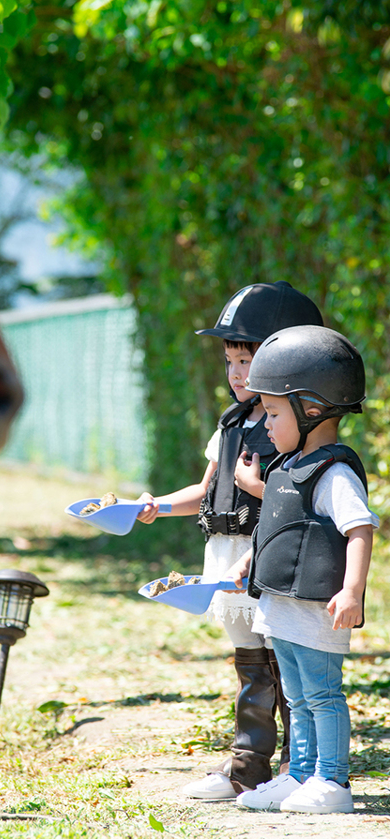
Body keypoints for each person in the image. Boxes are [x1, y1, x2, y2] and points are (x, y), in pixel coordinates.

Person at [136, 281, 323, 799]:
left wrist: (257, 487)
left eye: (249, 360)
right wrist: (156, 506)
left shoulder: (296, 427)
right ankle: (248, 767)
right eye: (230, 362)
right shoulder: (232, 424)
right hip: (226, 555)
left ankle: (297, 768)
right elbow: (205, 489)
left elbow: (302, 502)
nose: (238, 374)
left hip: (271, 558)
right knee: (250, 667)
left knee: (287, 663)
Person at [229, 325, 378, 815]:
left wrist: (353, 590)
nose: (266, 423)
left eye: (272, 412)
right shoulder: (288, 465)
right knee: (296, 698)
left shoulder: (334, 472)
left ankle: (331, 781)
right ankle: (300, 774)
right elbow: (278, 523)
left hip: (316, 609)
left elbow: (360, 528)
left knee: (322, 696)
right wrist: (252, 559)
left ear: (311, 409)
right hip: (281, 606)